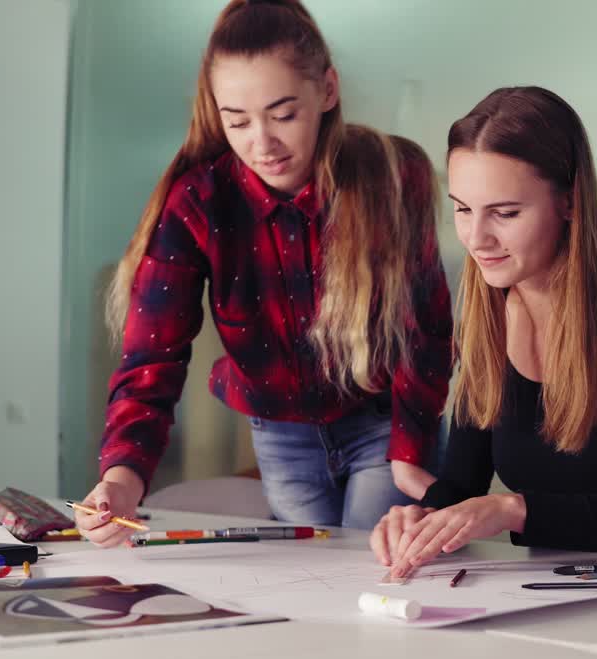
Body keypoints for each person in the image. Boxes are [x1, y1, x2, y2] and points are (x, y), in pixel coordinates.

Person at [77, 0, 452, 545]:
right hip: (283, 438)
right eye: (237, 121)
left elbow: (427, 328)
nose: (262, 143)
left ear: (327, 90)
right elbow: (152, 358)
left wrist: (411, 449)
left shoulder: (396, 174)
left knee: (375, 567)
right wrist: (120, 479)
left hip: (384, 423)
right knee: (310, 576)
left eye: (283, 115)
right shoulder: (196, 202)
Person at [370, 86, 597, 575]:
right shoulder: (490, 306)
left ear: (569, 201)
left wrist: (513, 509)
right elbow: (462, 486)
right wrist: (423, 518)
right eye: (462, 209)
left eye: (504, 213)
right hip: (556, 590)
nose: (476, 239)